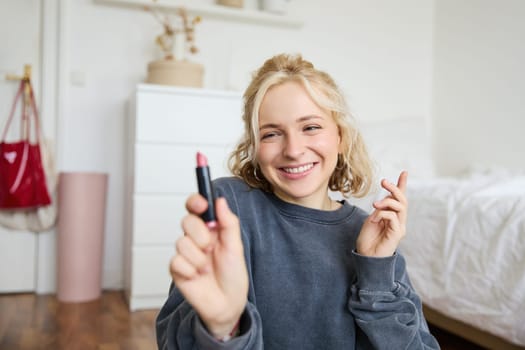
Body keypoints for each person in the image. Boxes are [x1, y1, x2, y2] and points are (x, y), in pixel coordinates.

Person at [156, 53, 440, 349]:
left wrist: (376, 272)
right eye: (272, 134)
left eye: (311, 127)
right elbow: (172, 340)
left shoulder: (370, 235)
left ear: (340, 138)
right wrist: (224, 327)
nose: (293, 150)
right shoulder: (230, 208)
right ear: (255, 147)